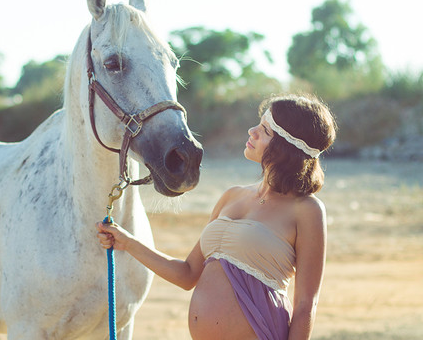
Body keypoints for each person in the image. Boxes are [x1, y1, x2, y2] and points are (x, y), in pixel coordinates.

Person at [96, 93, 337, 340]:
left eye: (264, 130)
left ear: (285, 146)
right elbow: (187, 273)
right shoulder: (232, 196)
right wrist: (126, 242)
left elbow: (307, 304)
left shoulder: (307, 210)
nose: (252, 131)